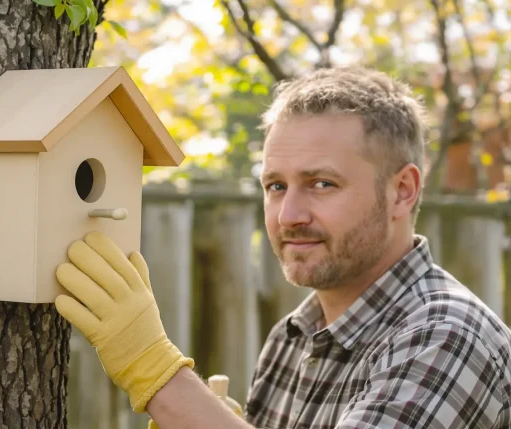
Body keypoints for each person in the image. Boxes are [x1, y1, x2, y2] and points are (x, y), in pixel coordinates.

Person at [53, 66, 511, 428]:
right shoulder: (291, 340)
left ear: (403, 191)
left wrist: (153, 370)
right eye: (275, 185)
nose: (289, 214)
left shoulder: (446, 336)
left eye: (322, 183)